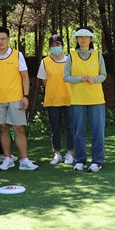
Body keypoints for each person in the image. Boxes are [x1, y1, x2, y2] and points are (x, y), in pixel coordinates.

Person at [0, 26, 38, 171]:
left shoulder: (17, 55)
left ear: (8, 39)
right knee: (3, 129)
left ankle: (24, 160)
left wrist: (25, 96)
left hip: (16, 98)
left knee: (18, 128)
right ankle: (8, 159)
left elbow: (25, 76)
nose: (0, 42)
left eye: (3, 39)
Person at [64, 29, 107, 172]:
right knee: (78, 132)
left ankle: (97, 161)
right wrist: (79, 79)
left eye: (86, 37)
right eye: (80, 37)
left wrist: (94, 79)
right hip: (77, 100)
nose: (83, 39)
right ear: (76, 40)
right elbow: (66, 77)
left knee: (98, 131)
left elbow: (103, 75)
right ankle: (80, 160)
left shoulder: (98, 54)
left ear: (91, 39)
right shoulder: (71, 56)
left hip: (96, 99)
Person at [37, 34, 74, 166]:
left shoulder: (70, 60)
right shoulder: (45, 62)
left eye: (57, 44)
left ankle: (70, 153)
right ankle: (57, 153)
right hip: (52, 99)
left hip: (70, 98)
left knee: (71, 127)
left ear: (62, 46)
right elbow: (44, 80)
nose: (55, 47)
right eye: (52, 45)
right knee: (55, 128)